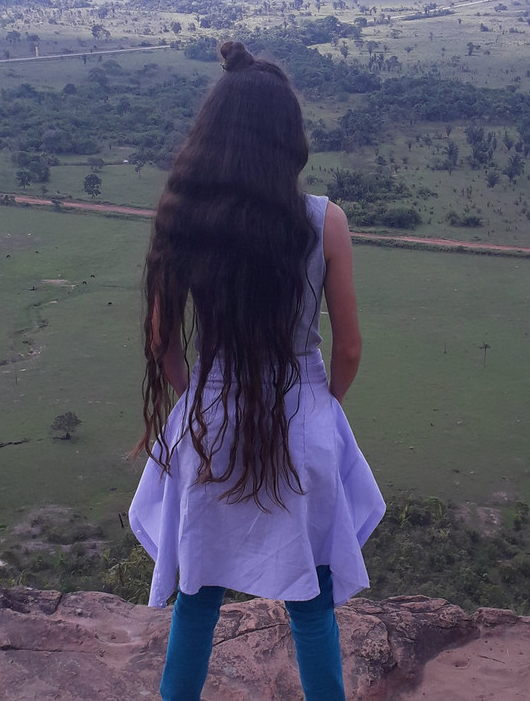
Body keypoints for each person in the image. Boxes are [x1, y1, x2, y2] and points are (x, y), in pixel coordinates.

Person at [129, 40, 385, 701]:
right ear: (287, 138)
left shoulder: (183, 217)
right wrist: (321, 405)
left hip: (207, 422)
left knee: (197, 595)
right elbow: (350, 347)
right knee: (311, 603)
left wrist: (201, 397)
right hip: (303, 416)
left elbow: (162, 343)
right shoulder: (324, 222)